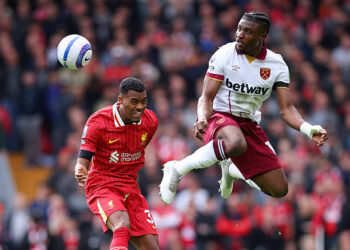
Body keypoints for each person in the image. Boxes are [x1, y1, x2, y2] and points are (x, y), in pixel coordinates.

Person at [159, 11, 328, 205]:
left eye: (247, 31)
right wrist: (202, 117)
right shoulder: (225, 54)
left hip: (248, 123)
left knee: (279, 189)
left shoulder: (277, 65)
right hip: (217, 114)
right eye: (239, 29)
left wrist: (308, 129)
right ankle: (178, 168)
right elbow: (206, 97)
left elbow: (287, 109)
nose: (240, 34)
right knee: (236, 143)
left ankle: (231, 169)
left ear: (262, 36)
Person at [75, 77, 159, 250]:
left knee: (152, 247)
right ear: (120, 100)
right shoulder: (98, 122)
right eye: (134, 101)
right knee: (122, 224)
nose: (140, 107)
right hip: (102, 184)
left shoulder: (150, 122)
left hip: (130, 186)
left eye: (144, 102)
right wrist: (80, 169)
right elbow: (83, 161)